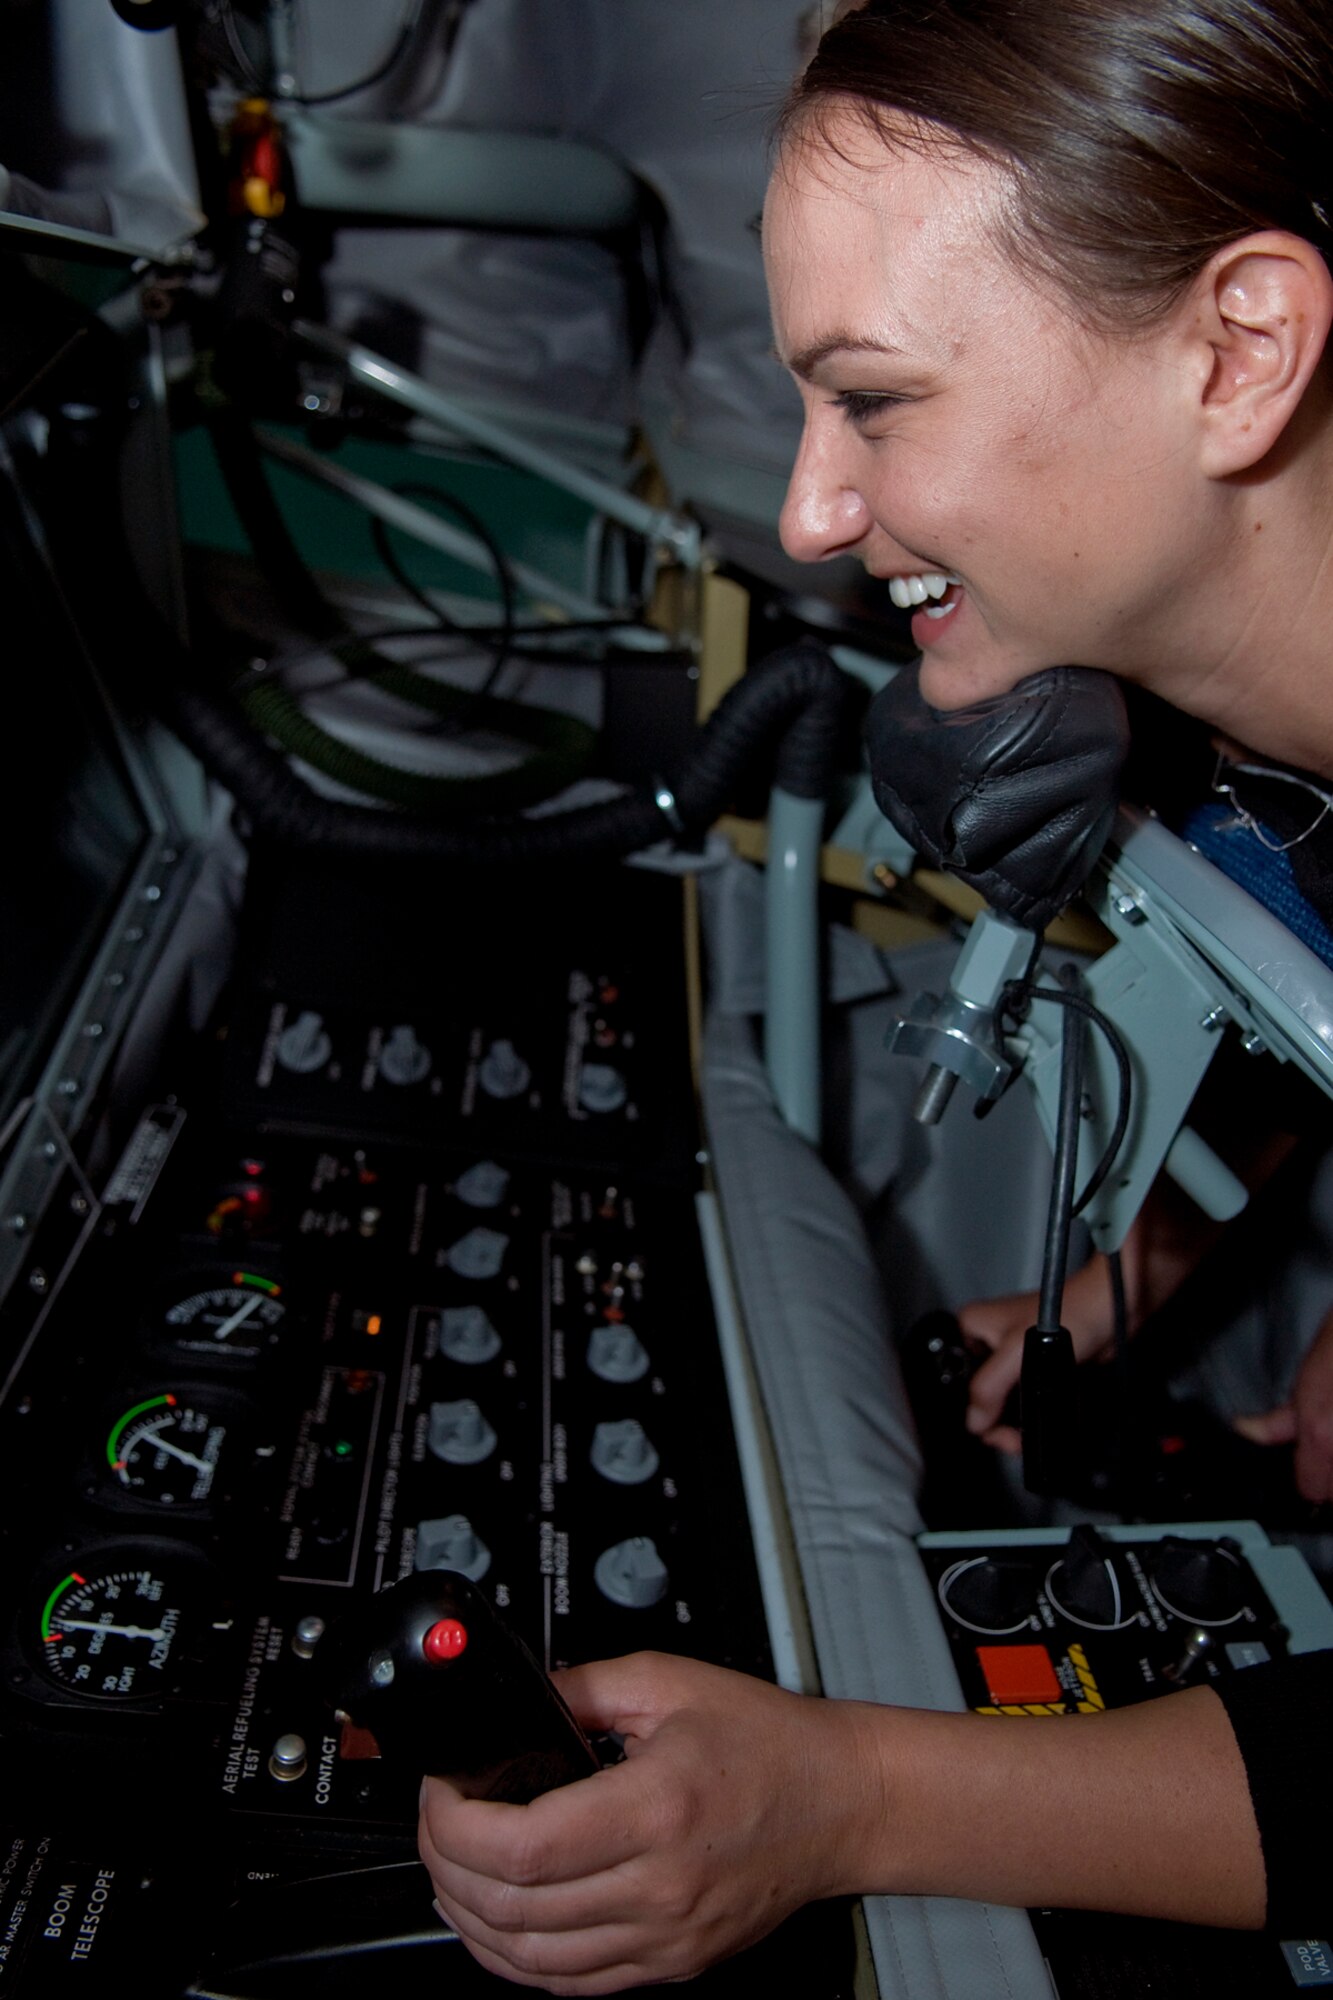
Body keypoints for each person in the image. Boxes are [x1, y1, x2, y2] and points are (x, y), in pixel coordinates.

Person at [418, 3, 1333, 1986]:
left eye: (879, 401)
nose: (815, 513)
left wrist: (847, 1799)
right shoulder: (1231, 767)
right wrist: (1128, 1286)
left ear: (1239, 350)